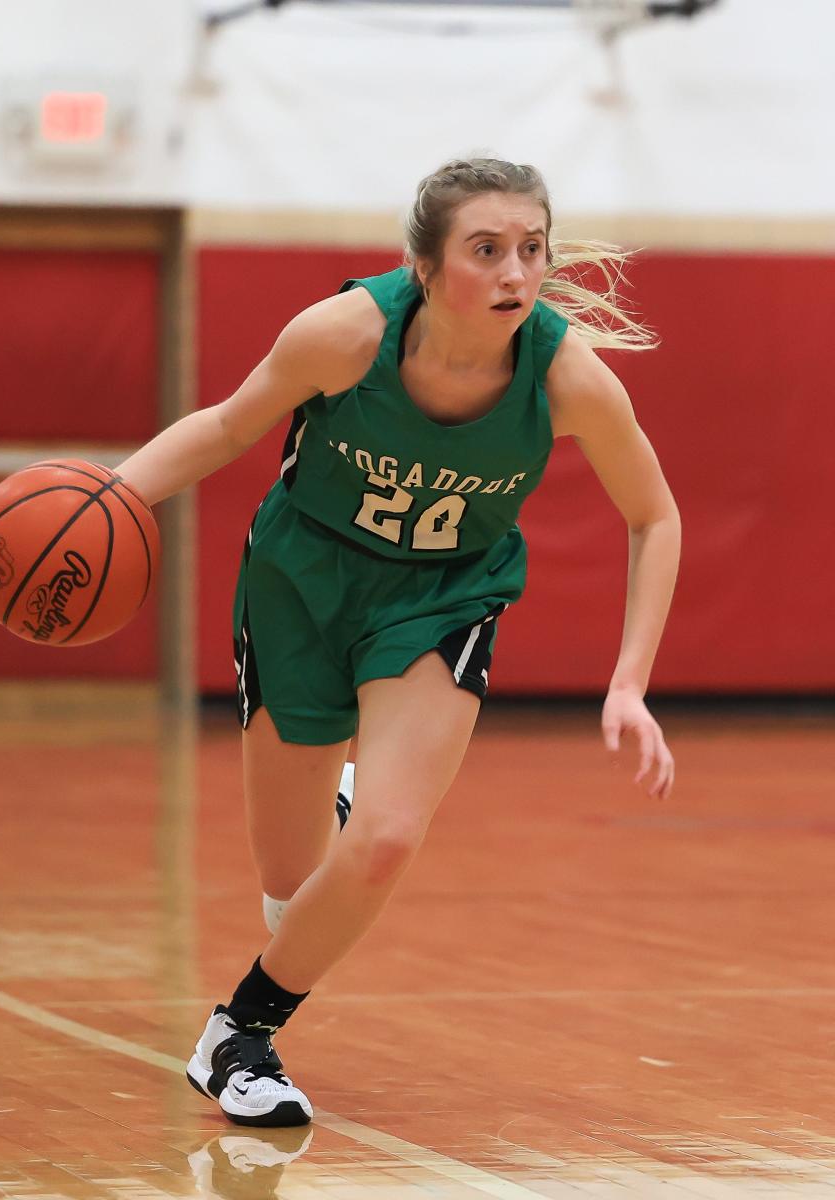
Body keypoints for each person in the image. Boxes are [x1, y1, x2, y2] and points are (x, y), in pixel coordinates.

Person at [116, 158, 680, 1128]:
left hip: (442, 596)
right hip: (302, 581)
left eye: (531, 250)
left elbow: (655, 516)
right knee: (292, 895)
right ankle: (333, 813)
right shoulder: (344, 335)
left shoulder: (567, 378)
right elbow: (224, 426)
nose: (516, 272)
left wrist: (629, 682)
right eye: (487, 250)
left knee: (383, 843)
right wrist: (112, 497)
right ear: (425, 267)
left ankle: (239, 1038)